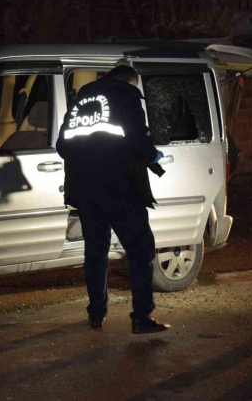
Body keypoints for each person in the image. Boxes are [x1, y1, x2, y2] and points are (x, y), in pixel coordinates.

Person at [56, 64, 170, 334]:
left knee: (95, 253)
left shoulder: (82, 100)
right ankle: (141, 318)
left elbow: (62, 146)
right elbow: (139, 141)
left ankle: (96, 314)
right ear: (130, 82)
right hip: (121, 190)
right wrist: (154, 157)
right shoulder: (127, 96)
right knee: (141, 252)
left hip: (85, 191)